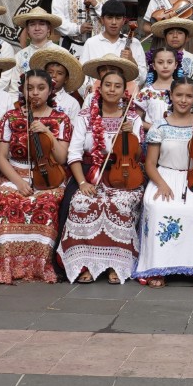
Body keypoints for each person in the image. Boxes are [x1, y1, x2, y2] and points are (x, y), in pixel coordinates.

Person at [60, 59, 146, 284]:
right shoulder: (86, 116)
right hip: (91, 173)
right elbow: (74, 154)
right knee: (82, 203)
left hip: (124, 175)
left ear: (124, 90)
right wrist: (81, 183)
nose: (112, 90)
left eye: (118, 86)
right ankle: (85, 263)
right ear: (100, 88)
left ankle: (116, 265)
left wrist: (130, 135)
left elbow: (137, 156)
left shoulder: (133, 117)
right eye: (108, 85)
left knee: (120, 204)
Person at [136, 78, 193, 286]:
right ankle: (158, 268)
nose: (184, 100)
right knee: (158, 206)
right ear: (171, 96)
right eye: (179, 95)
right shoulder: (160, 125)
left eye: (188, 96)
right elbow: (150, 164)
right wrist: (161, 184)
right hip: (165, 176)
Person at [0, 69, 71, 285]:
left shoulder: (60, 118)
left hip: (49, 173)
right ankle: (8, 266)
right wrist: (18, 181)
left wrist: (48, 133)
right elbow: (1, 158)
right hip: (16, 172)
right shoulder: (11, 117)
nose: (35, 93)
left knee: (48, 200)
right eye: (29, 88)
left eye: (41, 88)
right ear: (22, 90)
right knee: (7, 198)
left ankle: (40, 265)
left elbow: (61, 158)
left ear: (50, 90)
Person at [78, 0, 141, 70]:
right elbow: (82, 71)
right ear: (102, 20)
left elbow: (143, 76)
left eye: (118, 18)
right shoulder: (91, 43)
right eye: (109, 17)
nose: (114, 22)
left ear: (123, 20)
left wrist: (132, 61)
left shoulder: (135, 43)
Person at [147, 17, 193, 87]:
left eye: (180, 33)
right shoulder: (156, 58)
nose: (175, 36)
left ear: (187, 38)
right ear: (165, 38)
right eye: (170, 33)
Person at [12, 9, 66, 80]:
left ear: (48, 28)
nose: (37, 28)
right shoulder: (19, 57)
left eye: (42, 24)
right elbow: (14, 87)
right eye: (32, 24)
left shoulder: (62, 53)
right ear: (27, 29)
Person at [32, 48, 86, 119]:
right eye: (50, 72)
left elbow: (74, 128)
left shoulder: (72, 103)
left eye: (59, 73)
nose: (53, 75)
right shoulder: (34, 96)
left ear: (66, 79)